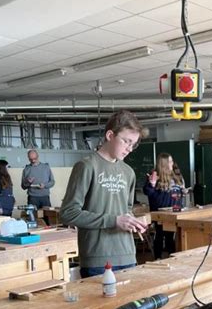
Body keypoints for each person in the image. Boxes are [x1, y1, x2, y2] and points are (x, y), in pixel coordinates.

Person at [60, 110, 148, 279]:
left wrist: (133, 222)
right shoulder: (86, 166)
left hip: (128, 254)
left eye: (133, 144)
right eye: (126, 141)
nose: (129, 149)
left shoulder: (128, 172)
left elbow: (126, 209)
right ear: (110, 135)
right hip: (98, 258)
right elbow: (68, 213)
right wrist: (114, 221)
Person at [143, 153, 185, 259]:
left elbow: (178, 190)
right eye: (170, 161)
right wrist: (152, 184)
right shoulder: (155, 175)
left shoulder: (175, 175)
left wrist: (183, 191)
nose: (172, 163)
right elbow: (148, 192)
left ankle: (172, 256)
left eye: (172, 161)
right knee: (160, 234)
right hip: (160, 213)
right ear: (164, 164)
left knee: (170, 235)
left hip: (174, 210)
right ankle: (158, 257)